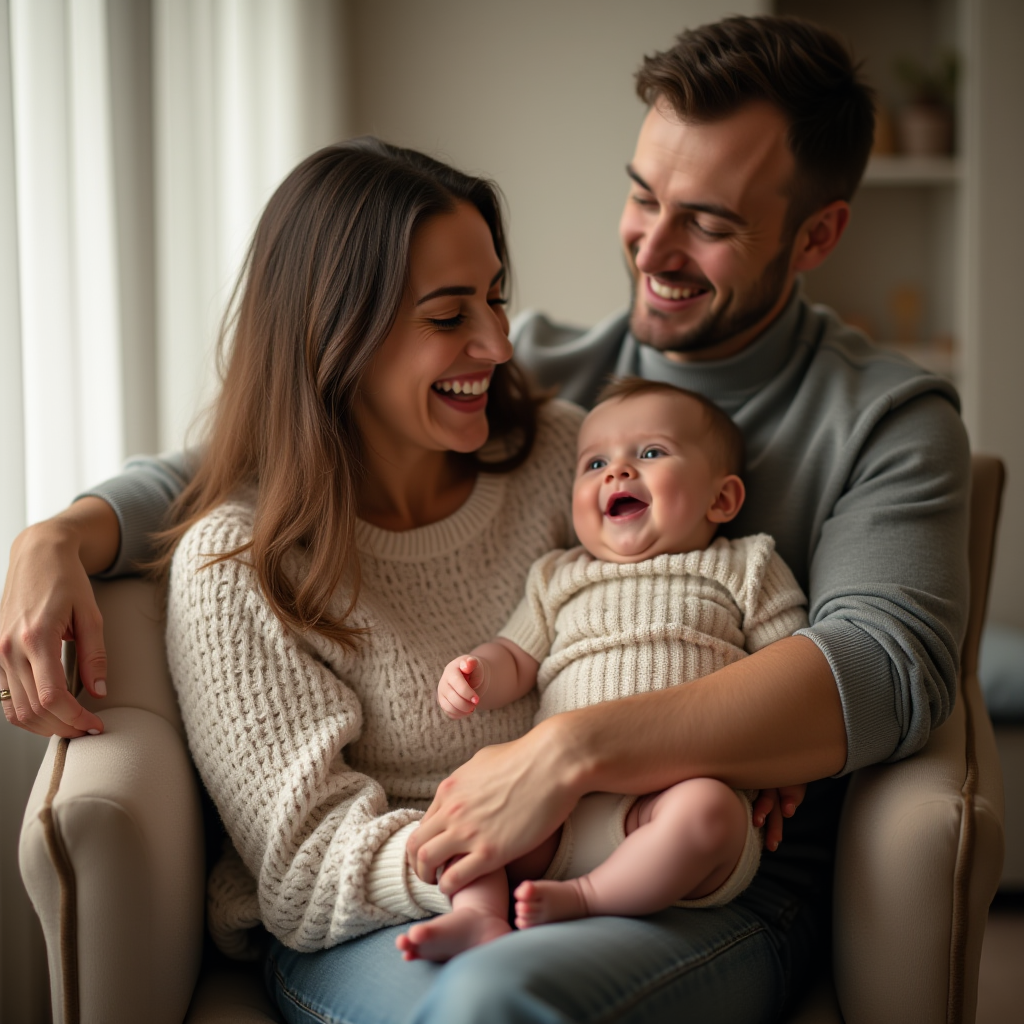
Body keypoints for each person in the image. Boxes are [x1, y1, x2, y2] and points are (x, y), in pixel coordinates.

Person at [1, 14, 970, 1022]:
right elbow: (268, 450)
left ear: (816, 234)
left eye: (710, 222)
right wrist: (60, 532)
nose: (654, 247)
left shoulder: (884, 422)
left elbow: (883, 664)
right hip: (439, 892)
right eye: (641, 196)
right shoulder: (549, 387)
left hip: (707, 864)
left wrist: (579, 751)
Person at [397, 379, 809, 964]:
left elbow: (787, 676)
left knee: (709, 811)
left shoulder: (747, 565)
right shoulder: (557, 576)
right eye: (595, 462)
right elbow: (516, 656)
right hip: (549, 809)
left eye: (649, 453)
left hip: (669, 805)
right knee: (469, 801)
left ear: (722, 499)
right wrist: (476, 673)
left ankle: (589, 897)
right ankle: (479, 917)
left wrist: (789, 761)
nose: (616, 473)